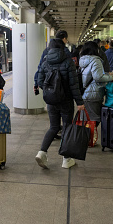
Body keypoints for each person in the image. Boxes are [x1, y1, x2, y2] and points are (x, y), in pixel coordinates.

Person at [35, 38, 85, 170]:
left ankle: (42, 153)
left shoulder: (45, 62)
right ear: (62, 48)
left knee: (54, 127)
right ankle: (66, 159)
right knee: (67, 128)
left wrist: (51, 90)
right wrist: (79, 102)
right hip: (66, 101)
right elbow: (74, 84)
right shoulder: (68, 61)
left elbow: (40, 81)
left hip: (51, 101)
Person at [79, 41, 113, 126]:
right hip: (94, 94)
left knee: (87, 120)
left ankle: (86, 138)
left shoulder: (83, 60)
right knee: (94, 120)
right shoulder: (95, 60)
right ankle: (87, 138)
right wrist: (110, 77)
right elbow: (98, 77)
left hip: (85, 92)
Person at [33, 30, 71, 94]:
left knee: (51, 102)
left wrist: (36, 82)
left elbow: (40, 67)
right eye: (66, 39)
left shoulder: (46, 50)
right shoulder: (66, 51)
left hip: (49, 84)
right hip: (63, 86)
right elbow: (71, 71)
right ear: (64, 38)